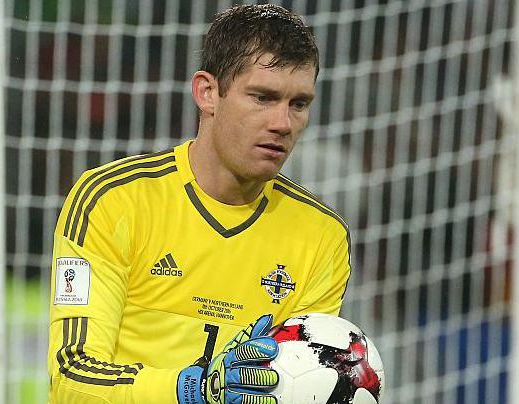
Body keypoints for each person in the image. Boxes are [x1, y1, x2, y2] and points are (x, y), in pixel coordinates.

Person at [47, 4, 352, 404]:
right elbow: (72, 377)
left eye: (298, 104)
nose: (283, 123)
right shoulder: (113, 201)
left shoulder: (321, 236)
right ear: (208, 93)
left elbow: (305, 385)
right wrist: (192, 389)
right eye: (263, 97)